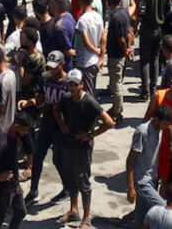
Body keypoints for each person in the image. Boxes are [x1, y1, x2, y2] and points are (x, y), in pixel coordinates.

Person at [54, 68, 116, 229]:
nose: (72, 88)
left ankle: (86, 218)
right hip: (68, 145)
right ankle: (73, 210)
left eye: (75, 85)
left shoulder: (89, 102)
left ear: (82, 85)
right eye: (69, 84)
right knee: (70, 178)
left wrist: (90, 135)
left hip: (82, 149)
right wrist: (62, 125)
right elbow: (56, 109)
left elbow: (109, 122)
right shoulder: (66, 99)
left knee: (83, 181)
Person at [26, 50, 67, 205]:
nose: (52, 70)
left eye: (55, 66)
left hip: (60, 127)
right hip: (46, 124)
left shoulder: (68, 82)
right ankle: (33, 191)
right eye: (50, 66)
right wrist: (30, 102)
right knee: (37, 157)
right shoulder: (45, 78)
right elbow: (41, 98)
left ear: (63, 64)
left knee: (58, 160)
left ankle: (67, 188)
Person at [127, 104, 172, 228]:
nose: (167, 127)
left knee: (142, 218)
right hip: (141, 181)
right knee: (163, 208)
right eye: (165, 124)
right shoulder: (143, 132)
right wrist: (131, 187)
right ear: (156, 119)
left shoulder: (159, 131)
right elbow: (130, 160)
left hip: (152, 180)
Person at [0, 112, 33, 229]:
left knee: (21, 212)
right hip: (4, 188)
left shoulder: (15, 136)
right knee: (0, 218)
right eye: (24, 130)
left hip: (14, 184)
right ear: (16, 126)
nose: (26, 133)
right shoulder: (4, 144)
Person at [138, 0, 172, 98]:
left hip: (147, 28)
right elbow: (168, 7)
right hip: (160, 28)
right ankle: (153, 88)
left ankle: (145, 90)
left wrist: (136, 26)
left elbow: (142, 11)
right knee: (156, 58)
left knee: (145, 60)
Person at [105, 0, 133, 121]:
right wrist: (129, 48)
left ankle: (117, 113)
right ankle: (116, 108)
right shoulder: (124, 12)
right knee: (117, 81)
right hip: (120, 54)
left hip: (116, 55)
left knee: (116, 85)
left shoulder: (115, 17)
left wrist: (125, 49)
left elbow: (121, 38)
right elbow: (130, 32)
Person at [74, 0, 105, 97]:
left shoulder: (82, 20)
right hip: (94, 61)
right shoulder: (98, 16)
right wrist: (101, 56)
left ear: (80, 1)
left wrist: (96, 51)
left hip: (84, 62)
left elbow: (86, 42)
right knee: (91, 90)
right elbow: (103, 37)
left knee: (85, 95)